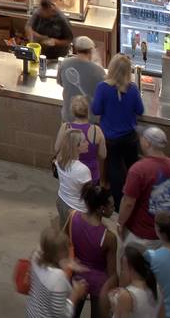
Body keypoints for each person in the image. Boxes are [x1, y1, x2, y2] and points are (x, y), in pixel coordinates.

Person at [117, 127, 170, 253]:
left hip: (140, 234)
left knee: (132, 268)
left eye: (142, 138)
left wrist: (120, 223)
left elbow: (128, 202)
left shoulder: (138, 170)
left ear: (147, 143)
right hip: (165, 235)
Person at [90, 54, 144, 209]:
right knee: (133, 170)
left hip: (110, 139)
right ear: (128, 71)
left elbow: (96, 110)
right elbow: (140, 110)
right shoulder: (132, 89)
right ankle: (136, 200)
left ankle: (119, 205)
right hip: (130, 138)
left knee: (115, 171)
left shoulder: (103, 88)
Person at [67, 183, 116, 317]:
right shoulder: (109, 237)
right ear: (101, 209)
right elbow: (112, 273)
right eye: (111, 205)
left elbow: (63, 241)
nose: (114, 208)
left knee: (70, 312)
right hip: (99, 282)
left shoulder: (73, 216)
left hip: (76, 275)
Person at [26, 224, 80, 318]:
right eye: (66, 250)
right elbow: (62, 314)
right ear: (57, 256)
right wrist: (75, 295)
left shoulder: (36, 256)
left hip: (32, 313)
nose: (69, 251)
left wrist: (65, 264)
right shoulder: (58, 278)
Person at [57, 95, 104, 201]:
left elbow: (57, 148)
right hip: (91, 175)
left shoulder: (66, 127)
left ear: (72, 112)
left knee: (72, 198)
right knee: (88, 202)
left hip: (70, 172)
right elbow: (103, 154)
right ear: (87, 111)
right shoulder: (97, 130)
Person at [55, 37, 105, 124]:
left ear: (76, 49)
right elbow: (103, 95)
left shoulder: (65, 63)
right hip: (89, 121)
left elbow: (60, 82)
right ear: (91, 51)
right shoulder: (99, 71)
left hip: (68, 119)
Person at [51, 129, 91, 226]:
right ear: (76, 146)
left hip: (61, 201)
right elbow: (88, 195)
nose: (88, 143)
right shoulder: (83, 170)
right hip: (77, 209)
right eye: (84, 141)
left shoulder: (59, 160)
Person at [109, 247, 160, 318]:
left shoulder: (126, 295)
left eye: (122, 269)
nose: (121, 273)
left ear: (130, 269)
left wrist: (115, 306)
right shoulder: (157, 288)